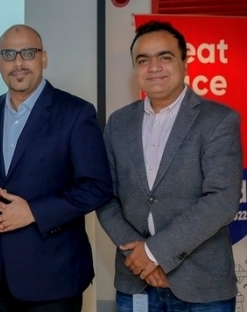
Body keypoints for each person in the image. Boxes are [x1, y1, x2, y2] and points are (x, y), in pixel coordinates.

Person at [97, 20, 242, 311]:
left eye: (165, 57)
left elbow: (222, 201)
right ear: (135, 69)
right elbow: (105, 196)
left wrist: (153, 253)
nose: (154, 67)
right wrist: (141, 259)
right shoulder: (118, 123)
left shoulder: (219, 120)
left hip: (202, 288)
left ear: (184, 63)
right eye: (143, 60)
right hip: (135, 280)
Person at [0, 24, 113, 312]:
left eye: (28, 52)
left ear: (44, 58)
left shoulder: (76, 113)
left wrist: (34, 212)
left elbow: (96, 187)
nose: (19, 62)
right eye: (9, 54)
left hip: (55, 278)